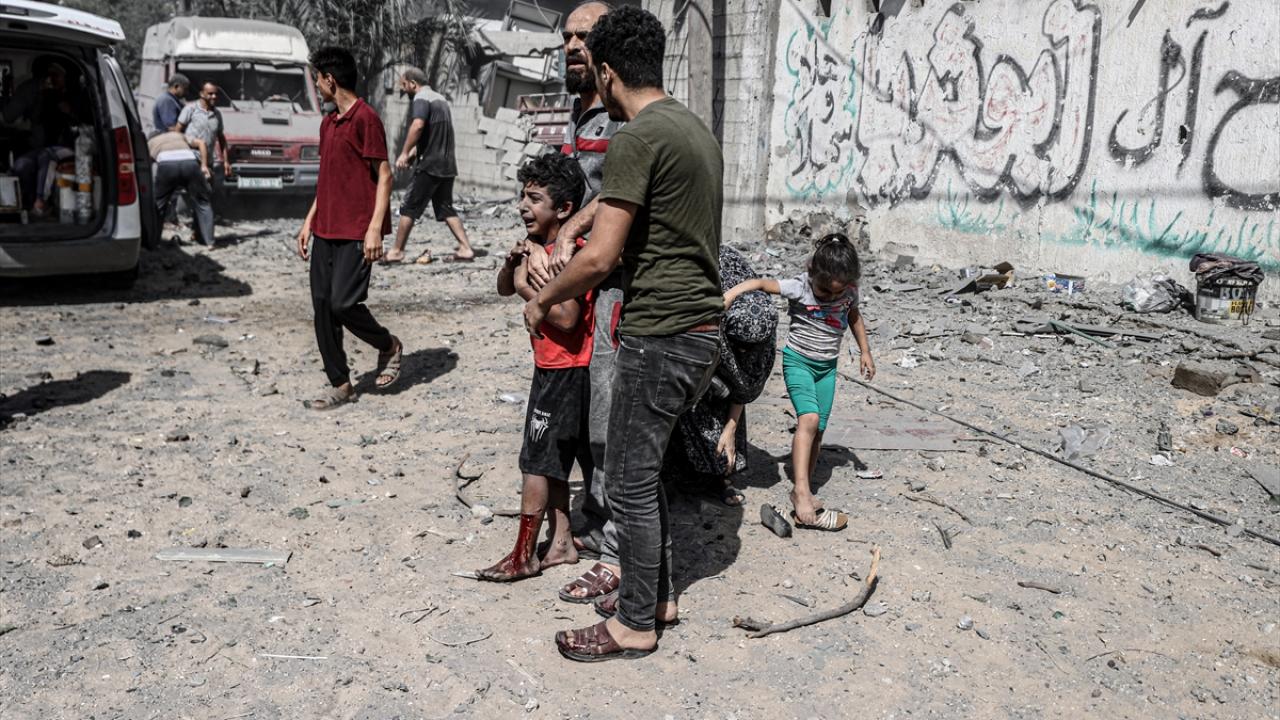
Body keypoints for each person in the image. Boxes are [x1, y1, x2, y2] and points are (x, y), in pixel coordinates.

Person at [523, 6, 724, 662]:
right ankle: (658, 593)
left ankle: (635, 623)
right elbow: (627, 220)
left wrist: (544, 295)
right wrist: (582, 221)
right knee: (650, 473)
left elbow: (601, 259)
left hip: (659, 331)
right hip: (698, 330)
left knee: (632, 481)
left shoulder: (636, 136)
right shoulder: (690, 127)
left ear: (607, 72)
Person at [527, 0, 629, 608]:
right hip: (572, 292)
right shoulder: (578, 110)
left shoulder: (622, 117)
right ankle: (580, 527)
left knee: (605, 419)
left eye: (583, 36)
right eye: (566, 35)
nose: (571, 45)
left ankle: (618, 545)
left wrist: (567, 244)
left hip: (606, 288)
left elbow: (615, 199)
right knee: (571, 411)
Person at [479, 153, 592, 581]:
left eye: (535, 198)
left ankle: (523, 554)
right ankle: (560, 543)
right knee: (553, 462)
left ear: (563, 209)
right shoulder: (540, 249)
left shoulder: (568, 256)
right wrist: (513, 266)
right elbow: (504, 289)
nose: (523, 207)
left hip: (566, 370)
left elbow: (564, 317)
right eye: (522, 197)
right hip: (551, 368)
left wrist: (529, 282)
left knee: (536, 462)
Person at [723, 233, 876, 531]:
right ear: (812, 272)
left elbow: (854, 317)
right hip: (800, 364)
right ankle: (801, 493)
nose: (831, 297)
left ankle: (804, 481)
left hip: (826, 369)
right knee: (808, 419)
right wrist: (730, 295)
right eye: (824, 291)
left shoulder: (848, 292)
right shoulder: (800, 286)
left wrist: (865, 352)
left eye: (837, 292)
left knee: (818, 430)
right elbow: (760, 283)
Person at [295, 47, 403, 410]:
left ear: (330, 79)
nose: (316, 85)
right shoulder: (329, 123)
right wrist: (309, 220)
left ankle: (388, 345)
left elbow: (385, 176)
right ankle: (341, 384)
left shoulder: (365, 118)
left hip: (356, 230)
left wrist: (374, 229)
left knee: (343, 303)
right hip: (325, 228)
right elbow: (328, 178)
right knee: (322, 307)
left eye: (317, 79)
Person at [385, 67, 474, 264]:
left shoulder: (421, 98)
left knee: (409, 206)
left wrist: (404, 153)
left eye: (404, 86)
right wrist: (414, 154)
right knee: (445, 207)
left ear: (412, 84)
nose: (404, 91)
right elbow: (434, 136)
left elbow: (418, 126)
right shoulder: (440, 100)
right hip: (446, 164)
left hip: (430, 165)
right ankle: (466, 248)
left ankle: (397, 251)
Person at [148, 130, 214, 246]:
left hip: (167, 166)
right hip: (190, 163)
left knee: (159, 205)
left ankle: (153, 243)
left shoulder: (150, 142)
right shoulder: (178, 135)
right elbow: (201, 143)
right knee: (203, 203)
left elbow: (148, 164)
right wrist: (204, 165)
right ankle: (210, 243)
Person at [177, 82, 231, 182]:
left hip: (209, 163)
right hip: (191, 161)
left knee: (210, 193)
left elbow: (221, 138)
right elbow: (177, 132)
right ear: (202, 94)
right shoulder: (191, 109)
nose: (214, 96)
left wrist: (226, 162)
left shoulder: (217, 114)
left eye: (216, 94)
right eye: (210, 94)